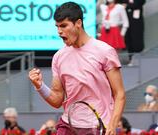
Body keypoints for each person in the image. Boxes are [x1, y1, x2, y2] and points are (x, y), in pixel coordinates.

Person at [28, 2, 126, 135]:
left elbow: (119, 94)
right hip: (68, 125)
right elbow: (57, 100)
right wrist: (39, 86)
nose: (59, 32)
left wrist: (113, 125)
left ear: (78, 23)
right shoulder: (58, 57)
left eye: (63, 26)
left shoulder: (105, 51)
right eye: (57, 27)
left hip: (97, 126)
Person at [119, 0, 146, 66]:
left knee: (137, 40)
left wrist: (128, 5)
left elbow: (140, 3)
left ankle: (137, 59)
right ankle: (130, 59)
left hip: (136, 22)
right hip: (127, 21)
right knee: (128, 40)